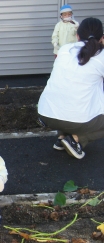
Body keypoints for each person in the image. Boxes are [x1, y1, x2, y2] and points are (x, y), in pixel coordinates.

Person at [38, 17, 104, 160]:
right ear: (102, 38)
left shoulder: (65, 49)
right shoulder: (101, 55)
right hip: (75, 119)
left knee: (72, 92)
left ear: (77, 35)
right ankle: (76, 139)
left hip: (46, 113)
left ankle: (61, 137)